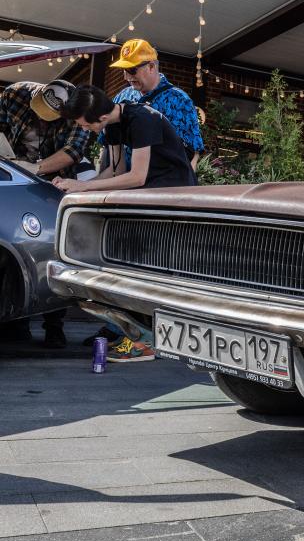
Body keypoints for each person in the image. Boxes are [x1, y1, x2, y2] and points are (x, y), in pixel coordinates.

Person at [54, 85, 197, 361]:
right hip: (150, 197)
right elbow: (115, 171)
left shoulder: (142, 118)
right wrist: (74, 186)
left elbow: (136, 176)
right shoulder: (113, 124)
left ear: (101, 117)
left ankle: (149, 343)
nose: (84, 129)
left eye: (85, 124)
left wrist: (83, 187)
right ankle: (138, 335)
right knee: (132, 266)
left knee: (151, 270)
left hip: (173, 195)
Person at [0, 80, 90, 348]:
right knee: (20, 243)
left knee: (51, 250)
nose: (40, 120)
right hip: (16, 175)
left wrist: (35, 168)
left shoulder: (76, 111)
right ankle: (17, 324)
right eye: (37, 112)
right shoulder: (14, 94)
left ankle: (55, 327)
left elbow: (73, 151)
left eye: (47, 117)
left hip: (56, 183)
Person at [107, 39, 204, 170]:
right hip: (123, 180)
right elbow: (108, 145)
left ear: (151, 67)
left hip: (162, 180)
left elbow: (192, 154)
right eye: (124, 70)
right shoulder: (122, 96)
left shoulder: (179, 100)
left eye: (131, 70)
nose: (126, 77)